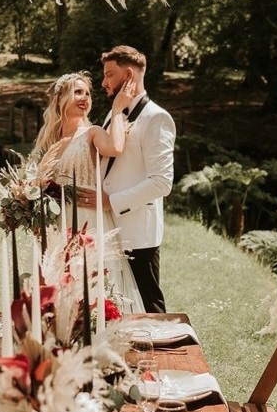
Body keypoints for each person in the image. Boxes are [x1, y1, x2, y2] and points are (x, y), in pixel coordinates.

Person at [32, 71, 144, 314]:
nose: (85, 97)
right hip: (58, 225)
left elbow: (115, 147)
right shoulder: (52, 141)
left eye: (88, 93)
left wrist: (117, 109)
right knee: (61, 289)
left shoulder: (92, 133)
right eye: (78, 92)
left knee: (93, 283)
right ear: (61, 99)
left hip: (88, 221)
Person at [77, 46, 175, 313]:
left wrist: (112, 202)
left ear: (129, 74)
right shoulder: (114, 113)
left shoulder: (157, 118)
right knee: (117, 306)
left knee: (149, 306)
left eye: (109, 74)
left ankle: (163, 356)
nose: (103, 82)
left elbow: (162, 182)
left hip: (137, 234)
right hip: (108, 227)